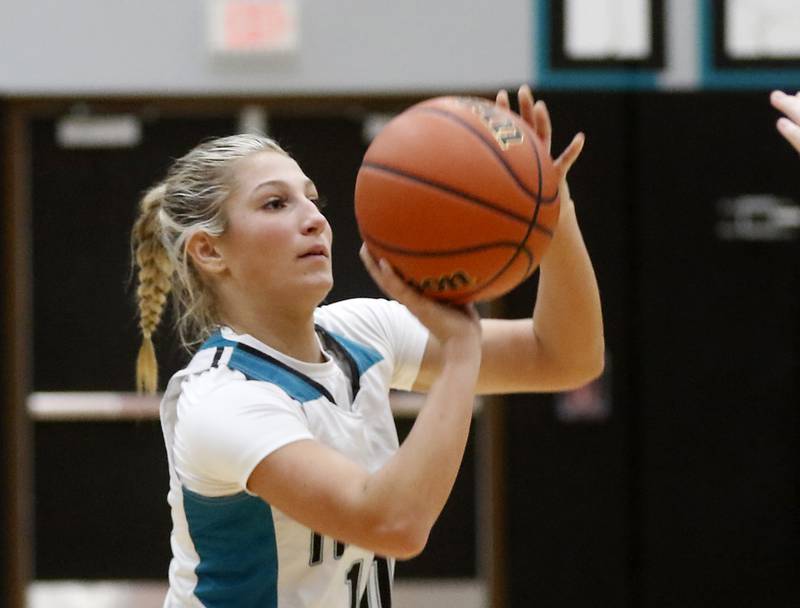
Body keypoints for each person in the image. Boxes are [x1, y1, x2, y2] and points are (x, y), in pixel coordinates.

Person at [131, 85, 604, 608]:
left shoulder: (363, 331)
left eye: (312, 199)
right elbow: (393, 524)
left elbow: (564, 356)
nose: (313, 218)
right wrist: (460, 357)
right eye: (275, 203)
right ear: (209, 251)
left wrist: (549, 207)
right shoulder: (223, 399)